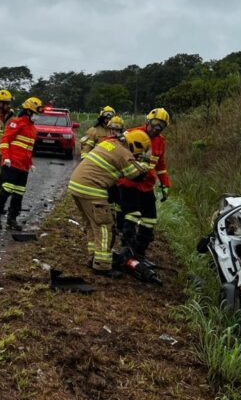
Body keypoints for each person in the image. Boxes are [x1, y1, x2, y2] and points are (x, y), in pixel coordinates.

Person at [68, 129, 151, 276]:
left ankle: (93, 257)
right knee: (104, 226)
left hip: (76, 186)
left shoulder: (109, 143)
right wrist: (145, 164)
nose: (137, 154)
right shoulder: (124, 153)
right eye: (140, 151)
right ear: (136, 145)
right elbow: (136, 175)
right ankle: (102, 265)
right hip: (92, 189)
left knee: (92, 224)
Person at [117, 108, 172, 259]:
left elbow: (160, 165)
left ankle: (139, 252)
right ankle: (127, 249)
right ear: (148, 121)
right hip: (129, 183)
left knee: (150, 219)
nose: (157, 128)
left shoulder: (160, 141)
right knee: (131, 216)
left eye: (161, 125)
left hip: (147, 184)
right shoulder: (131, 134)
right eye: (155, 123)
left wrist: (165, 184)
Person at [0, 97, 43, 232]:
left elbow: (28, 149)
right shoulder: (16, 123)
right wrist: (6, 158)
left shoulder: (33, 129)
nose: (37, 116)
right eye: (35, 113)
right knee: (6, 190)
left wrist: (30, 163)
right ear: (28, 111)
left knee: (19, 194)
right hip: (11, 164)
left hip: (23, 167)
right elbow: (5, 141)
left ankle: (12, 219)